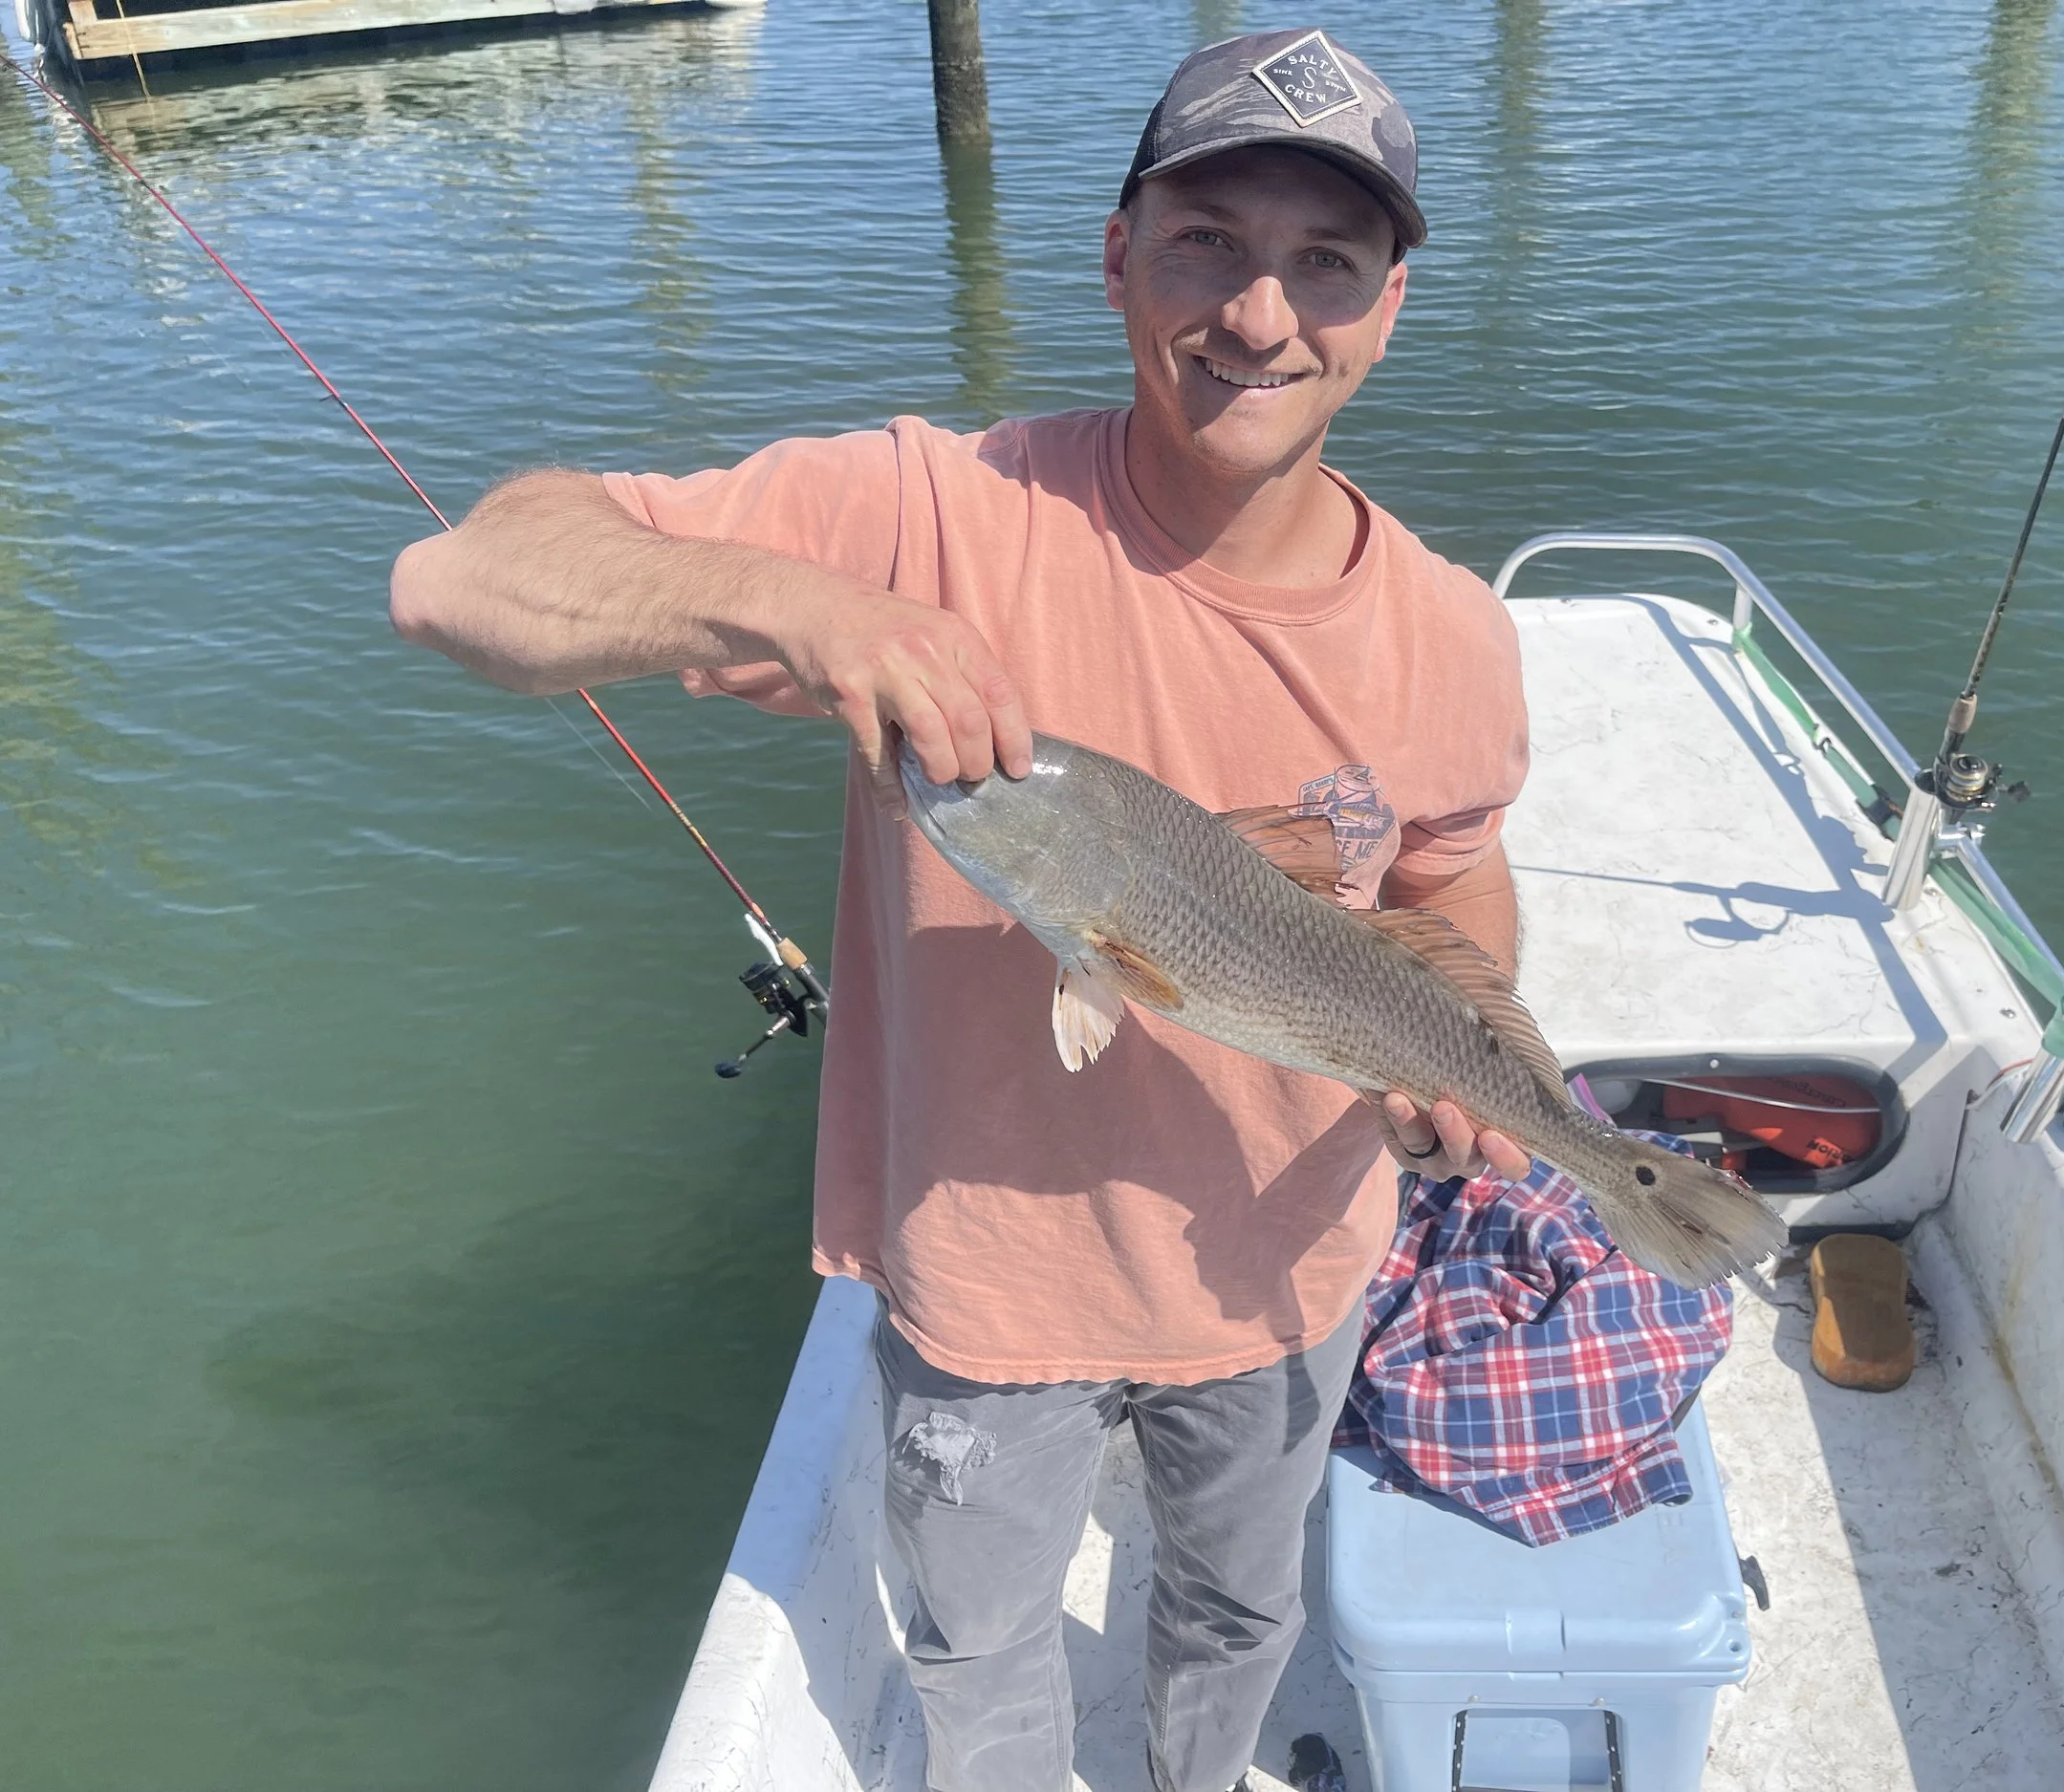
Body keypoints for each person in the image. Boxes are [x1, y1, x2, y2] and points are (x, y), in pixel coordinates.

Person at [390, 28, 1532, 1792]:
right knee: (979, 1649)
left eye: (1327, 262)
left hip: (1295, 1262)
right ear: (1116, 255)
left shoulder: (1452, 625)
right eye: (1207, 241)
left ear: (1388, 304)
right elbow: (460, 576)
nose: (1261, 314)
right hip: (990, 1303)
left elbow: (1451, 868)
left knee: (1238, 1620)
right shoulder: (936, 512)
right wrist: (801, 607)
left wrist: (1467, 1052)